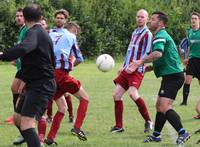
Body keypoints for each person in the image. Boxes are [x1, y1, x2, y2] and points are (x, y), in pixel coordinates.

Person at [129, 11, 190, 145]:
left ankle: (182, 132)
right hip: (170, 76)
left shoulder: (160, 35)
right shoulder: (160, 35)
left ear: (161, 23)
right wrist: (150, 68)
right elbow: (165, 57)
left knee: (164, 106)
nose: (151, 21)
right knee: (159, 106)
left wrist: (140, 62)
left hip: (173, 77)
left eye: (153, 19)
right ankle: (156, 135)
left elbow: (157, 53)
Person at [0, 4, 56, 147]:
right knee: (18, 119)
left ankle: (36, 142)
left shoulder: (35, 33)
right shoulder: (40, 32)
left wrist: (3, 55)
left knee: (26, 124)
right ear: (41, 17)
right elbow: (46, 61)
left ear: (24, 18)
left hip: (41, 86)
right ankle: (35, 142)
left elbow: (24, 48)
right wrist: (25, 79)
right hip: (35, 83)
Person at [44, 10, 89, 145]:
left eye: (61, 18)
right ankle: (77, 127)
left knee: (62, 108)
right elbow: (80, 58)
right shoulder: (70, 36)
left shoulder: (48, 34)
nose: (59, 19)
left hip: (50, 75)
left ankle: (50, 139)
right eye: (58, 17)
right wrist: (71, 65)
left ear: (65, 21)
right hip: (61, 75)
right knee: (85, 99)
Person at [110, 9, 153, 133]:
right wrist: (123, 66)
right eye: (138, 16)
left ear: (147, 19)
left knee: (133, 94)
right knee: (116, 95)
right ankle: (119, 126)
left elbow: (149, 52)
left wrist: (139, 64)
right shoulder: (135, 32)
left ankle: (149, 121)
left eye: (142, 17)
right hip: (127, 69)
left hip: (137, 69)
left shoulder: (147, 34)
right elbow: (129, 51)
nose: (139, 19)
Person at [7, 8, 28, 145]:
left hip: (27, 70)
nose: (18, 18)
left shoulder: (27, 30)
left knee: (20, 93)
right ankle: (19, 114)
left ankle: (25, 123)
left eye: (21, 16)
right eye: (17, 16)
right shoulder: (21, 30)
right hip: (21, 68)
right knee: (14, 88)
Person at [180, 12, 200, 108]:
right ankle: (184, 101)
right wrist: (186, 58)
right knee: (187, 81)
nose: (193, 20)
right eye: (192, 18)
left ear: (199, 20)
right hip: (192, 60)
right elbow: (189, 47)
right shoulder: (189, 32)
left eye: (195, 18)